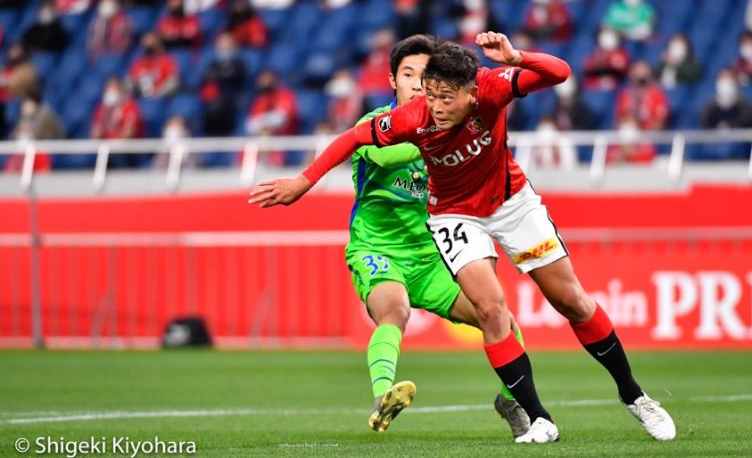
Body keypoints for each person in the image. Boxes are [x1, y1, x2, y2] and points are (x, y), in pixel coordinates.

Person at [249, 32, 677, 444]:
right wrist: (304, 182)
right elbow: (354, 137)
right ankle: (539, 419)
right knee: (490, 312)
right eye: (427, 92)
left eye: (443, 97)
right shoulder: (411, 117)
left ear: (472, 93)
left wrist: (516, 57)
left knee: (572, 302)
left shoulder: (493, 88)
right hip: (454, 216)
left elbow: (559, 71)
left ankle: (635, 396)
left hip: (512, 203)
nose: (433, 105)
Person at [316, 34, 532, 439]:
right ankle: (383, 397)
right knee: (394, 310)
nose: (417, 83)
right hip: (378, 249)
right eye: (408, 74)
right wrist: (446, 130)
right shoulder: (375, 126)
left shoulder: (452, 121)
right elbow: (384, 153)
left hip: (432, 259)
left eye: (425, 75)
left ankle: (510, 400)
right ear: (392, 80)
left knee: (501, 320)